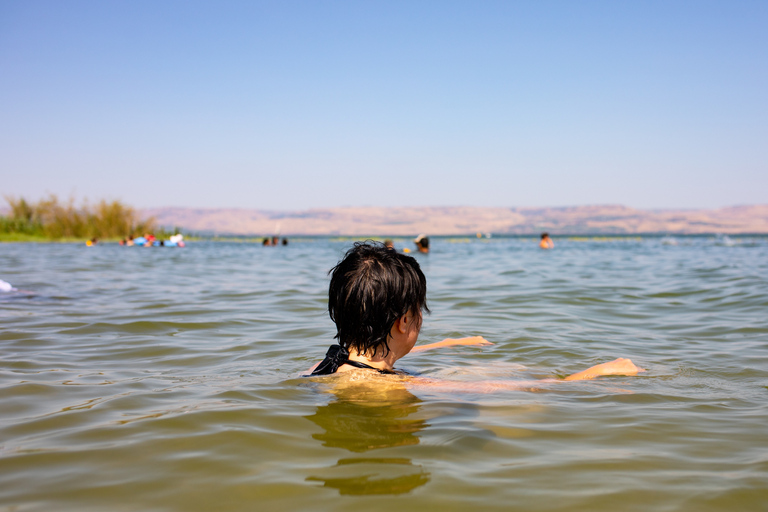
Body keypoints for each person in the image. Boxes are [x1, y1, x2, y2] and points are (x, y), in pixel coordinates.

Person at [310, 242, 643, 386]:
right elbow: (520, 389)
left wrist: (450, 343)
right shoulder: (392, 388)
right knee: (517, 390)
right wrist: (600, 371)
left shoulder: (328, 363)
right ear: (404, 321)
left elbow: (378, 349)